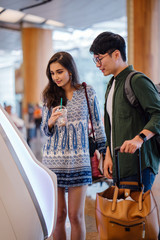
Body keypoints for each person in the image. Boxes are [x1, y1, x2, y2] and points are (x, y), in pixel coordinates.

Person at [41, 51, 106, 240]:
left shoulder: (87, 92)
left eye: (59, 72)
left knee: (75, 216)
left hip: (79, 160)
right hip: (54, 162)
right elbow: (45, 131)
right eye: (52, 73)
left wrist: (104, 152)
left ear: (70, 70)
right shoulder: (48, 96)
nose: (56, 77)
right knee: (58, 216)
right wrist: (51, 121)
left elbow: (97, 124)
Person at [89, 31, 160, 193]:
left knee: (136, 214)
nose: (98, 65)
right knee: (128, 215)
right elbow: (112, 126)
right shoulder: (111, 84)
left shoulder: (137, 80)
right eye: (95, 60)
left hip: (139, 164)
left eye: (100, 59)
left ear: (116, 54)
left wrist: (139, 138)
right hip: (120, 165)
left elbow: (158, 114)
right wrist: (108, 154)